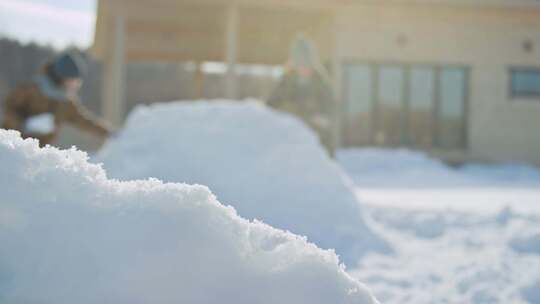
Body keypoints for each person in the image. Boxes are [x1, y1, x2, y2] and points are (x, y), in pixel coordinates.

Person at [2, 52, 112, 146]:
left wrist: (108, 134)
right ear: (61, 77)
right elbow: (9, 108)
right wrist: (24, 125)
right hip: (12, 146)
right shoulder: (31, 90)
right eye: (72, 80)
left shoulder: (67, 102)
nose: (75, 85)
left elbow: (84, 121)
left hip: (40, 153)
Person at [267, 34, 337, 156]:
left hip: (318, 142)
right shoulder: (285, 82)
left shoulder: (321, 83)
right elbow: (271, 106)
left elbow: (332, 107)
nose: (305, 68)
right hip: (290, 141)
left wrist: (324, 118)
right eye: (301, 64)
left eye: (308, 64)